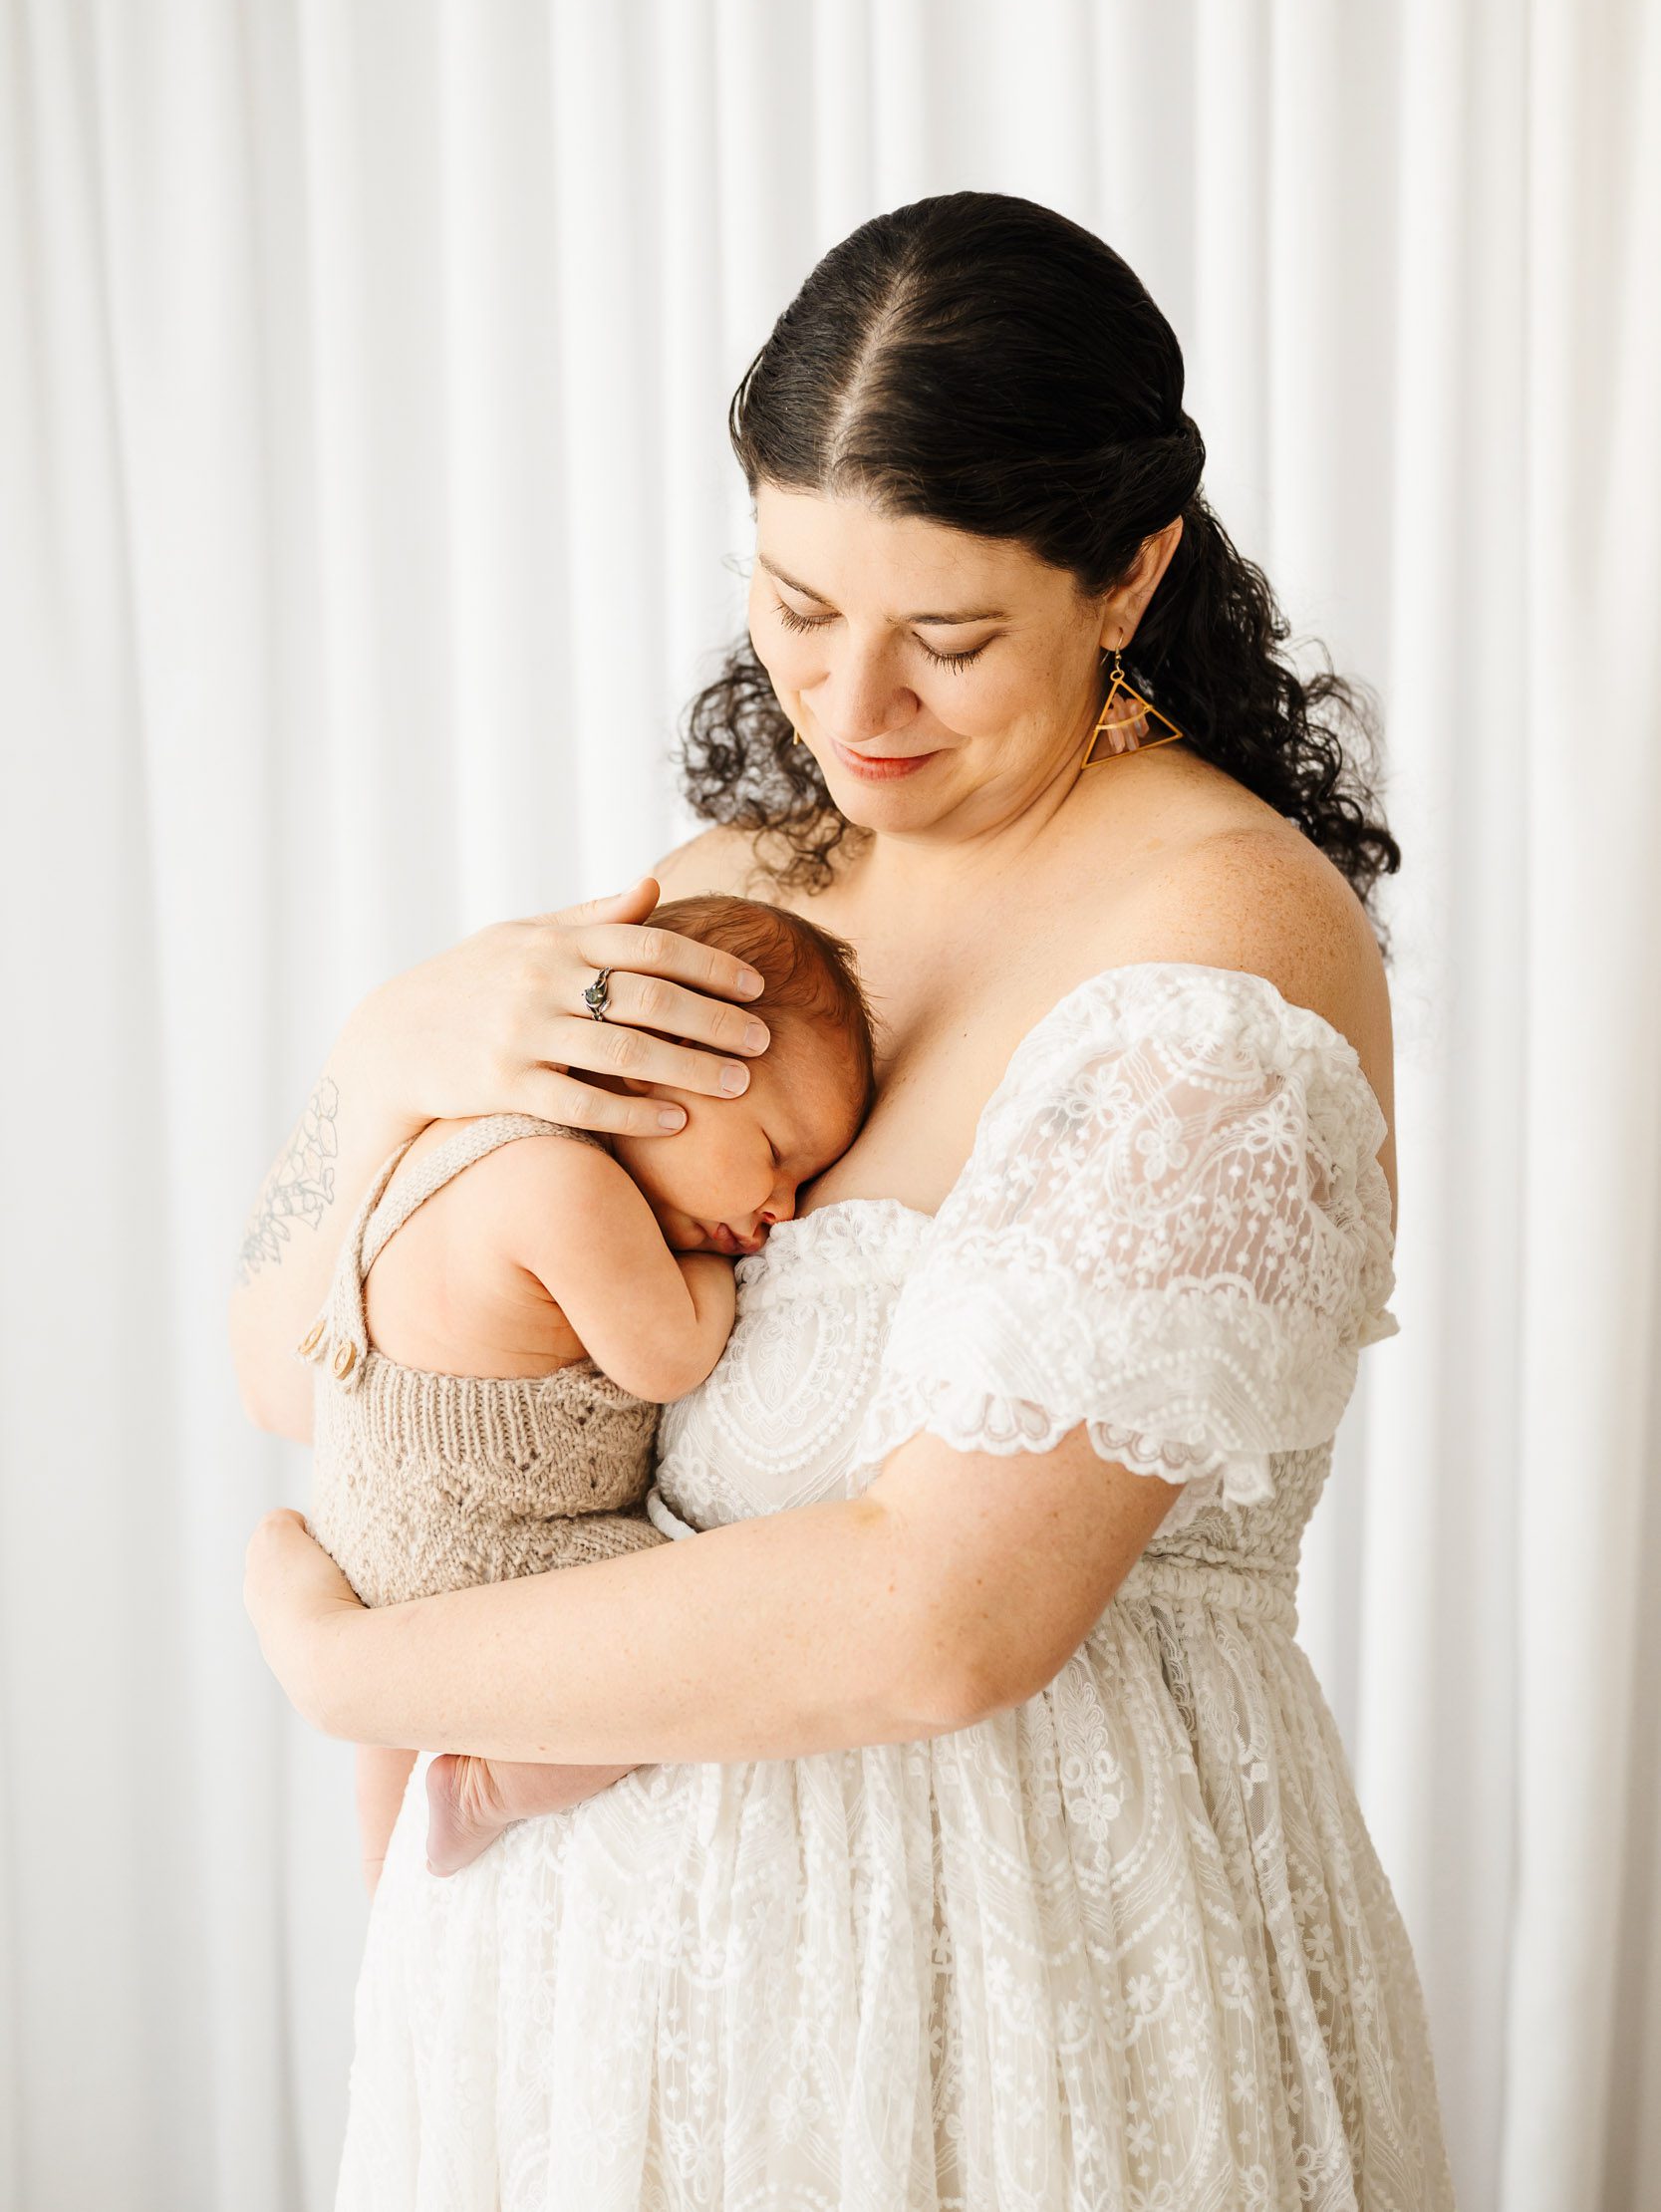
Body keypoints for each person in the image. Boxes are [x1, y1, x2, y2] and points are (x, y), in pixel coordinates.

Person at [236, 191, 1458, 2207]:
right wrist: (390, 1048)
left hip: (1008, 1993)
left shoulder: (1217, 939)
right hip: (575, 2014)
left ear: (1129, 567)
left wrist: (351, 1673)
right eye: (794, 607)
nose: (851, 705)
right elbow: (307, 1354)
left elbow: (946, 1616)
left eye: (945, 634)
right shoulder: (745, 886)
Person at [298, 893, 877, 1895]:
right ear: (656, 1065)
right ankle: (486, 1790)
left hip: (373, 1527)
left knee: (388, 1766)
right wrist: (709, 1278)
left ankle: (387, 1899)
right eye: (776, 1153)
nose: (781, 1210)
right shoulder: (567, 1185)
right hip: (488, 1544)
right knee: (694, 1645)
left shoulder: (466, 1136)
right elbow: (671, 1356)